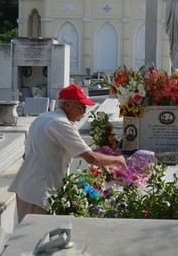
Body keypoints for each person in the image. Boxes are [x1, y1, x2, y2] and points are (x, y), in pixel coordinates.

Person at [8, 84, 127, 223]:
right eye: (82, 107)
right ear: (68, 106)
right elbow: (92, 158)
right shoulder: (61, 124)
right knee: (33, 239)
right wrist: (118, 159)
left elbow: (26, 155)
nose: (84, 112)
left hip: (27, 189)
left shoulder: (43, 117)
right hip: (38, 194)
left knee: (31, 238)